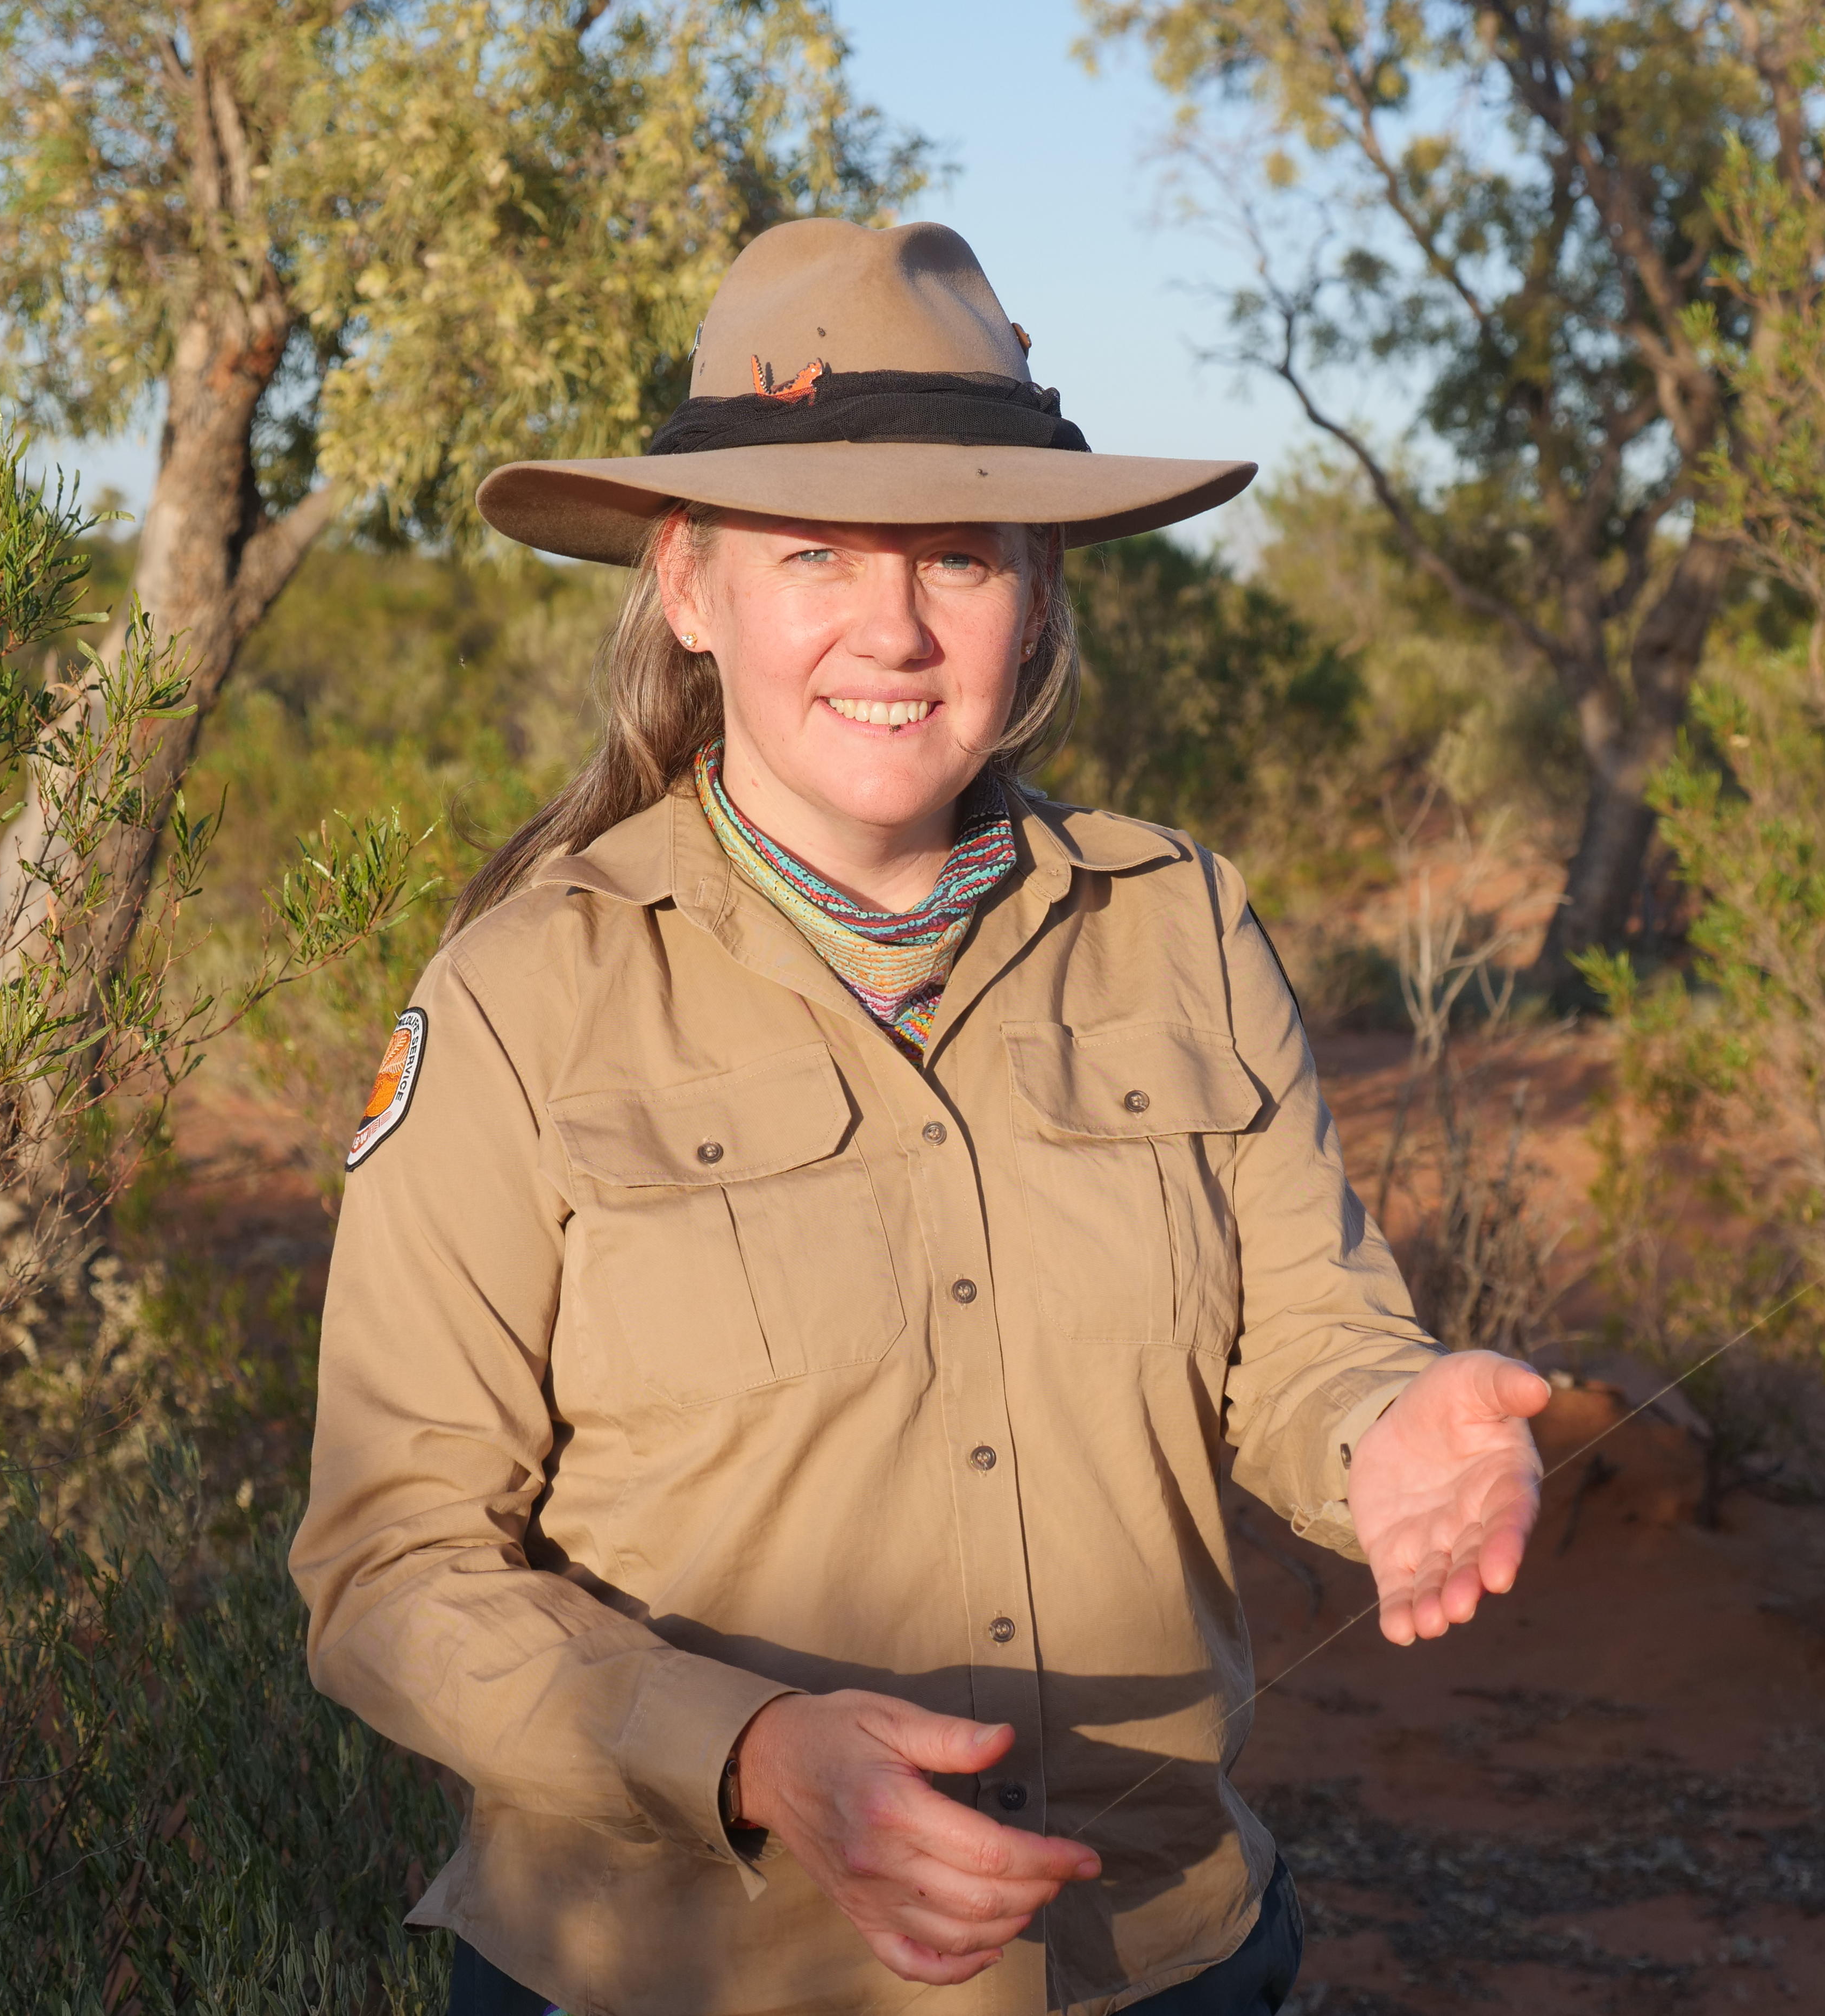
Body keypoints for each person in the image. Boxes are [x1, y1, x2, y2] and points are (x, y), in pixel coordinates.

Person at [290, 218, 1551, 2016]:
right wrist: (754, 1754)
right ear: (690, 587)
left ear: (1036, 592)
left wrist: (1381, 1435)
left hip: (1157, 1958)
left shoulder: (1176, 924)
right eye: (815, 550)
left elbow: (1299, 1349)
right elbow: (392, 1571)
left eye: (959, 554)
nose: (892, 625)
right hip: (680, 1981)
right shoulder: (524, 997)